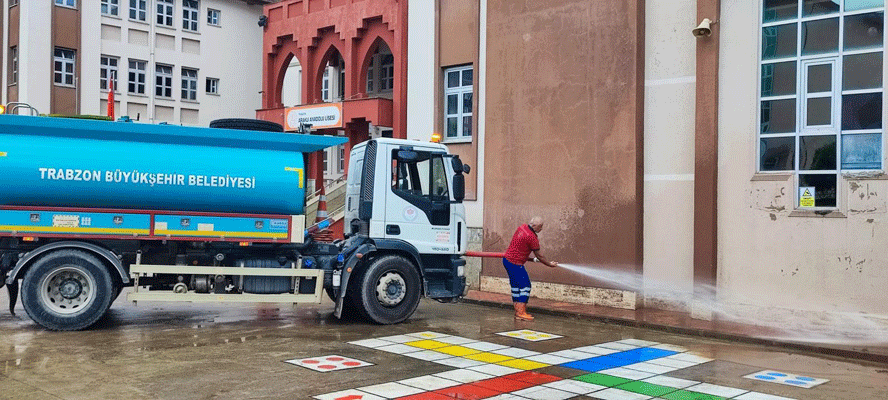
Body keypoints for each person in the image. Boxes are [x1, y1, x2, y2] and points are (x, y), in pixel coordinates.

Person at [502, 216, 558, 321]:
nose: (541, 229)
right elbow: (540, 256)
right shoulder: (532, 237)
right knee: (525, 286)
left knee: (515, 286)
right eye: (541, 227)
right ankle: (521, 312)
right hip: (515, 263)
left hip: (507, 260)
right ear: (535, 226)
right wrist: (549, 264)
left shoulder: (521, 227)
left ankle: (518, 311)